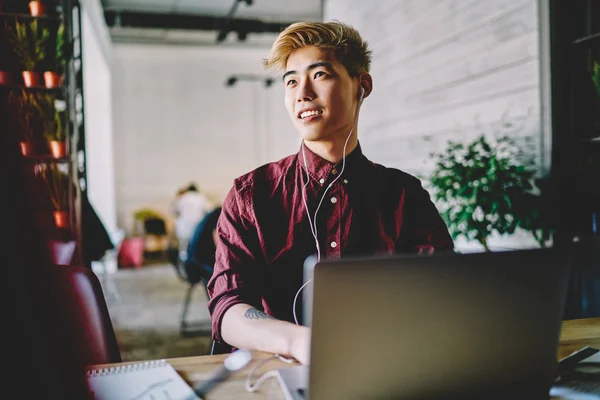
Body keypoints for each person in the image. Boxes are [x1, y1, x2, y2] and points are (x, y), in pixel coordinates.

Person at [207, 21, 454, 365]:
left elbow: (442, 293)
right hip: (278, 374)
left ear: (361, 85)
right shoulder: (252, 194)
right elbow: (227, 306)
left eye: (319, 75)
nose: (302, 93)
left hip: (383, 368)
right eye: (291, 81)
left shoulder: (404, 195)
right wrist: (298, 342)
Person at [170, 183, 214, 261]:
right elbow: (210, 211)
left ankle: (183, 261)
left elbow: (173, 211)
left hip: (183, 227)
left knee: (183, 245)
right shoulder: (201, 198)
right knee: (197, 245)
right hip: (197, 226)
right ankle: (196, 260)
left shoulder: (182, 198)